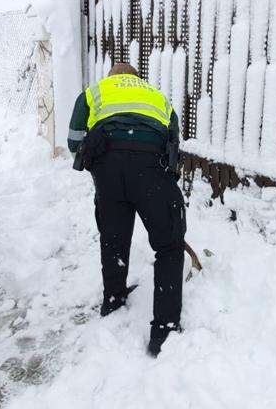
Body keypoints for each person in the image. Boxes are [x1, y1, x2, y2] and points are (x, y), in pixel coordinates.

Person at [68, 63, 186, 357]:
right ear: (136, 79)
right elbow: (174, 142)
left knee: (113, 239)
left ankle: (114, 298)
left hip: (108, 170)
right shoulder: (158, 97)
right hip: (151, 170)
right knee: (169, 247)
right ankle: (165, 331)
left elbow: (73, 141)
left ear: (113, 78)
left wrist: (103, 163)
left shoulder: (94, 93)